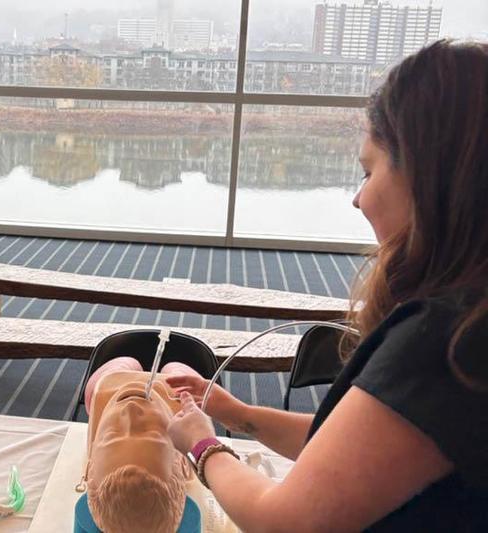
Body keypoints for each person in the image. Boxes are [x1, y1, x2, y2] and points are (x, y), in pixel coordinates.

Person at [166, 40, 488, 531]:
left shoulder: (445, 340)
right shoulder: (470, 320)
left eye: (368, 170)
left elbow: (287, 522)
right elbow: (357, 453)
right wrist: (238, 413)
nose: (358, 199)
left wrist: (203, 445)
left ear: (428, 177)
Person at [83, 357, 200, 533]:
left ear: (89, 463)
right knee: (174, 368)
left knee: (128, 361)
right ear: (183, 461)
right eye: (153, 433)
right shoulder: (191, 408)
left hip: (114, 383)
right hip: (174, 392)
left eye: (111, 434)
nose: (130, 410)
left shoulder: (99, 394)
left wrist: (121, 372)